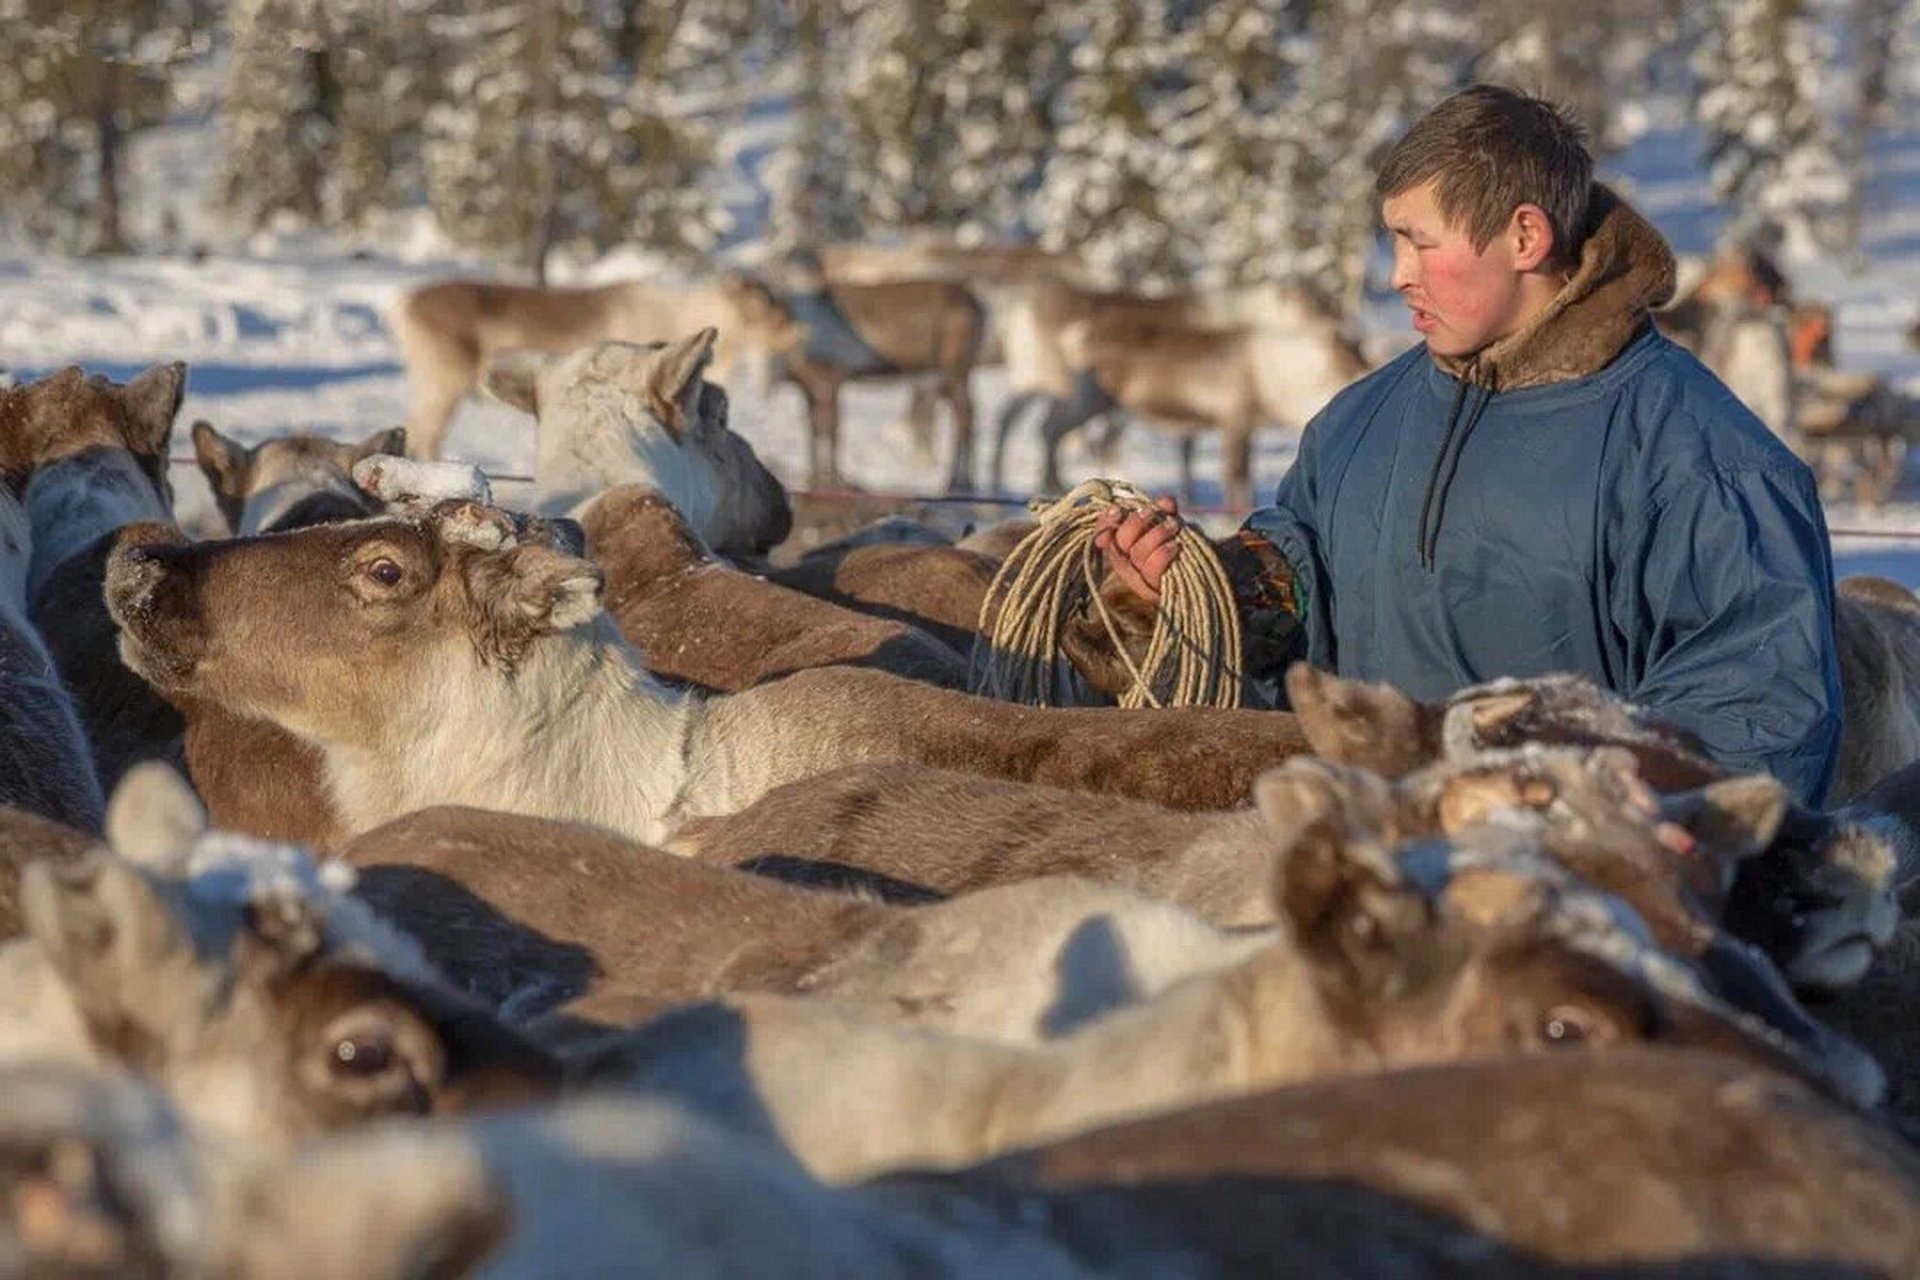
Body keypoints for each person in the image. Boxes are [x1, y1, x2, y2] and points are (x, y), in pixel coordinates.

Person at [1094, 85, 1842, 803]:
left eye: (1420, 243)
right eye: (1393, 241)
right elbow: (1307, 582)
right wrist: (1207, 588)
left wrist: (1556, 823)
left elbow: (1757, 719)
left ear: (1524, 236)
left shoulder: (1703, 462)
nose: (1397, 276)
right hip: (1375, 879)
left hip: (1554, 900)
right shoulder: (1358, 422)